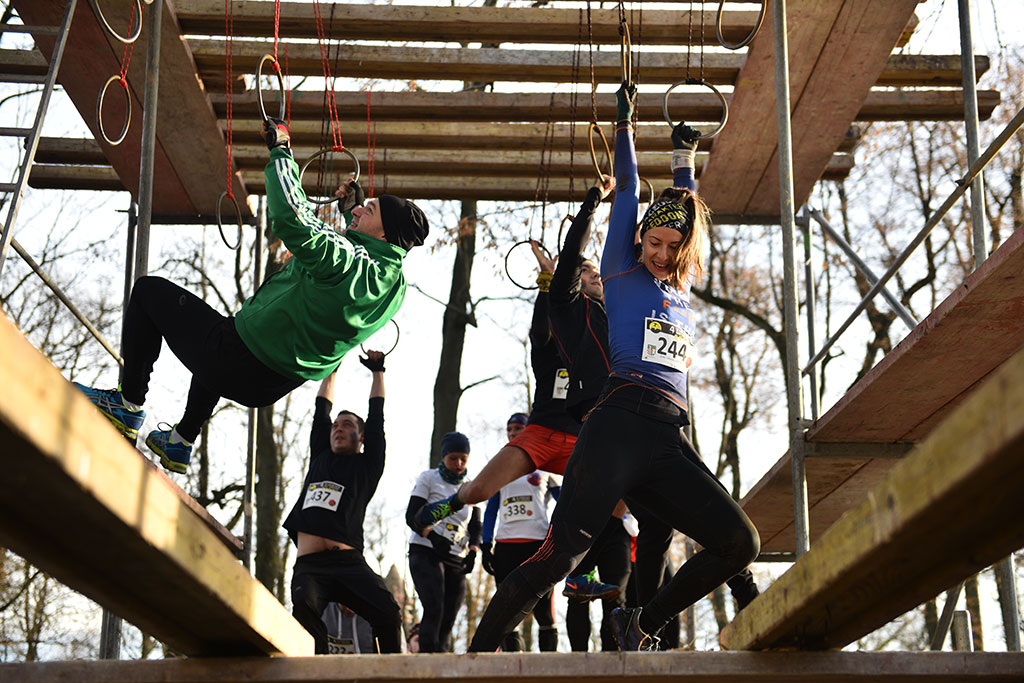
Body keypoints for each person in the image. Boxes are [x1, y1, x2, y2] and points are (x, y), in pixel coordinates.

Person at [467, 83, 759, 653]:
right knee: (559, 558)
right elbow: (629, 188)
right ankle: (473, 659)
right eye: (654, 241)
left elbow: (687, 211)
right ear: (638, 238)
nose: (662, 253)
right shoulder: (621, 268)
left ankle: (642, 621)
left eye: (674, 247)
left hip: (668, 437)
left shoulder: (679, 284)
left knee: (739, 542)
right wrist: (625, 125)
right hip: (618, 424)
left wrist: (685, 158)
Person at [72, 117, 428, 474]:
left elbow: (295, 220)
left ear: (385, 234)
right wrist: (352, 214)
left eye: (372, 210)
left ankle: (128, 404)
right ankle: (180, 442)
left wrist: (282, 151)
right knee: (219, 340)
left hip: (241, 356)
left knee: (149, 292)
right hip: (270, 384)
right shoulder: (394, 287)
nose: (362, 207)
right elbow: (348, 266)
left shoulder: (348, 262)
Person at [411, 245, 585, 531]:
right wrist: (546, 282)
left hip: (580, 441)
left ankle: (584, 568)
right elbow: (541, 329)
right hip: (541, 433)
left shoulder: (599, 343)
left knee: (617, 493)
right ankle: (452, 502)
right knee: (481, 489)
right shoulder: (549, 348)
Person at [284, 352, 403, 654]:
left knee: (389, 614)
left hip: (349, 564)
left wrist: (378, 372)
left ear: (361, 437)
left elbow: (376, 417)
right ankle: (320, 674)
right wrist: (331, 369)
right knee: (303, 608)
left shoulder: (367, 466)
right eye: (335, 425)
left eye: (347, 424)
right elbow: (321, 410)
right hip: (310, 567)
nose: (337, 428)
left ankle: (391, 676)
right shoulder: (320, 457)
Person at [406, 432, 482, 652]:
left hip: (455, 555)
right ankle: (428, 664)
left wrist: (474, 551)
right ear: (443, 457)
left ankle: (444, 664)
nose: (458, 464)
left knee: (450, 617)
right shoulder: (429, 478)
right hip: (426, 550)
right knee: (434, 608)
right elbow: (412, 515)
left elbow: (476, 526)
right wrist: (431, 535)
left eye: (463, 459)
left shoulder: (471, 486)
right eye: (453, 458)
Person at [481, 456, 560, 652]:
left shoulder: (547, 467)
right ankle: (512, 670)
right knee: (507, 611)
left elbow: (565, 500)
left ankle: (550, 670)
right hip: (506, 547)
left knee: (544, 609)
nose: (513, 432)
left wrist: (557, 531)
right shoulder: (500, 467)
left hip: (538, 544)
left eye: (518, 428)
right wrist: (485, 544)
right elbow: (491, 510)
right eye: (510, 429)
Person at [564, 514, 631, 652]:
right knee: (577, 595)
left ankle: (612, 659)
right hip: (581, 527)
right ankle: (577, 658)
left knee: (616, 597)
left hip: (618, 529)